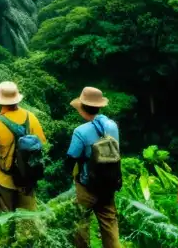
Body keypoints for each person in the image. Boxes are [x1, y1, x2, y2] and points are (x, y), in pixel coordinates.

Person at [66, 87, 121, 248]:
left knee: (81, 224)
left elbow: (71, 159)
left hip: (87, 185)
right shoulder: (112, 126)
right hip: (109, 184)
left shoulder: (80, 132)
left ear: (82, 108)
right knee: (110, 224)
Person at [0, 81, 46, 213]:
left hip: (5, 179)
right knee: (28, 220)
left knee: (4, 219)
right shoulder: (31, 117)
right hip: (27, 179)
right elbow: (41, 143)